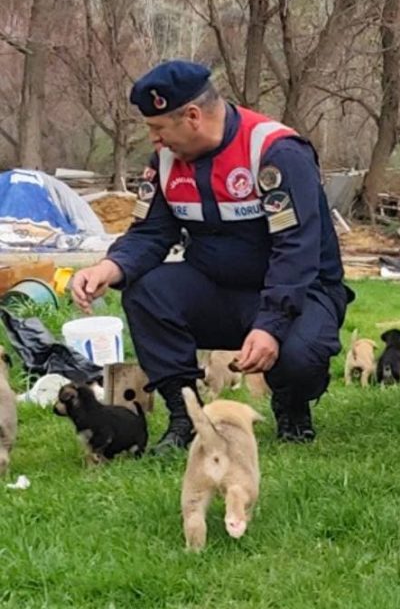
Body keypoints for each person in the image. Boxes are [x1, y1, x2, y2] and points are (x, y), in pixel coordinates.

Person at [70, 60, 353, 451]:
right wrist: (110, 266)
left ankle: (292, 404)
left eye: (158, 128)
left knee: (300, 356)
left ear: (192, 116)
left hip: (299, 291)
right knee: (145, 290)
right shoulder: (167, 162)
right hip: (217, 287)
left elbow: (296, 251)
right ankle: (184, 413)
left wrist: (270, 324)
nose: (154, 140)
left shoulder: (276, 152)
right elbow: (152, 231)